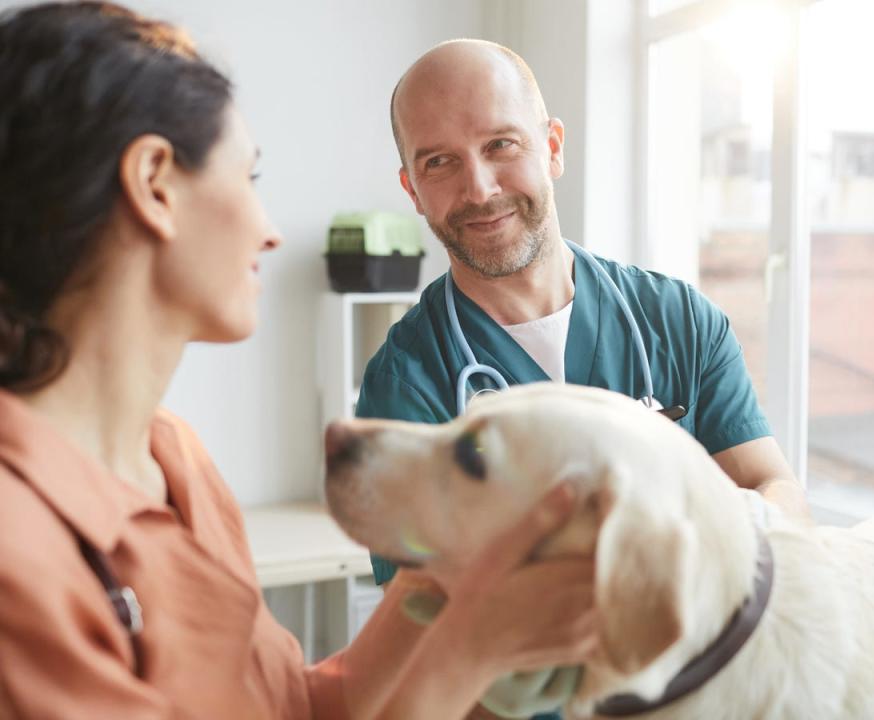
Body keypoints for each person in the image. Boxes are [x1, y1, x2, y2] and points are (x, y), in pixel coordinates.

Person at [0, 4, 599, 718]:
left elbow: (301, 704)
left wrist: (439, 575)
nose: (271, 232)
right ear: (155, 183)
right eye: (248, 178)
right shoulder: (19, 547)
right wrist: (475, 647)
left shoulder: (176, 461)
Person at [355, 38, 809, 718]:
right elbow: (422, 625)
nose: (478, 188)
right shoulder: (406, 387)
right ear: (412, 190)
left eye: (501, 145)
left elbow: (776, 493)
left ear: (553, 146)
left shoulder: (678, 319)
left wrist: (727, 532)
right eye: (440, 162)